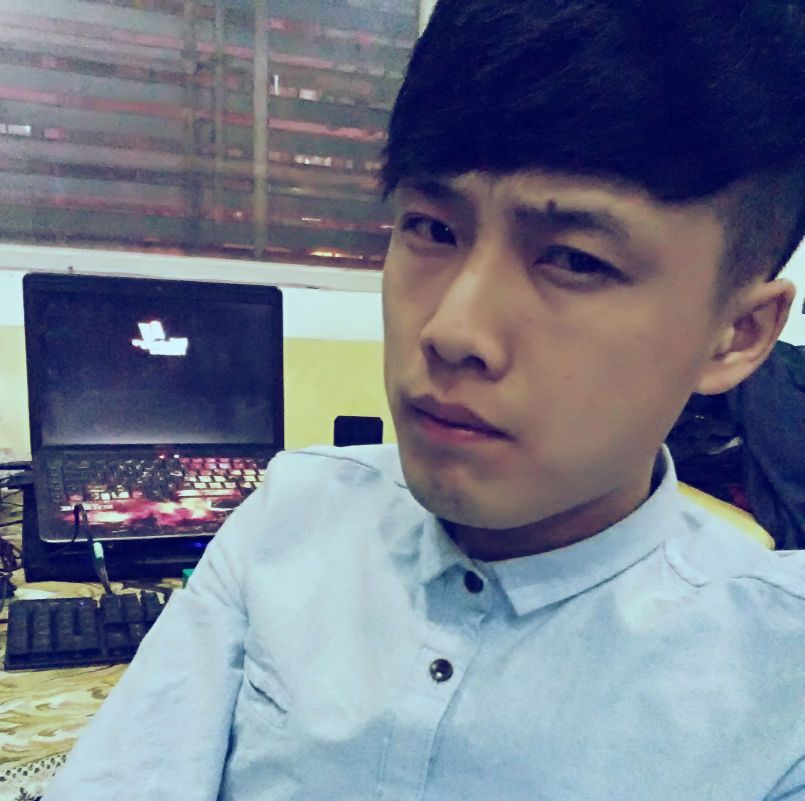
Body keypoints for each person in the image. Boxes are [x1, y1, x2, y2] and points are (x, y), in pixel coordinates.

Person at [44, 1, 805, 799]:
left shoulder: (775, 684)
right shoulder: (292, 515)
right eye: (431, 229)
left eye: (575, 260)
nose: (451, 329)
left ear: (736, 333)